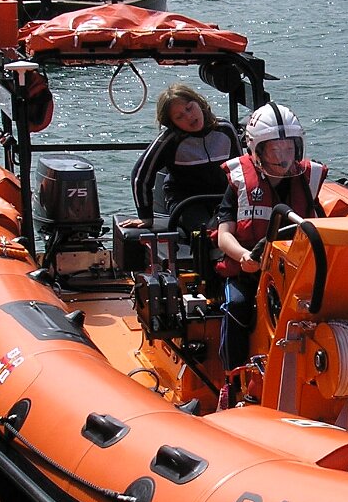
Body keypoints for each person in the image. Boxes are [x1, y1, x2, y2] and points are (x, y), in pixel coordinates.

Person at [215, 103, 327, 376]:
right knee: (236, 306)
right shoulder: (240, 183)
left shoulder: (307, 181)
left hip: (294, 270)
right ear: (257, 150)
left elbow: (323, 227)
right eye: (274, 150)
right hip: (249, 270)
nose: (282, 157)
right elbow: (224, 235)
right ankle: (233, 375)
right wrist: (244, 256)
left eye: (288, 149)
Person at [128, 83, 239, 228]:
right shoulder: (169, 140)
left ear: (199, 103)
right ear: (172, 123)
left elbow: (241, 169)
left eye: (189, 108)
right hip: (186, 202)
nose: (189, 116)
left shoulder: (225, 129)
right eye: (179, 116)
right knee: (206, 231)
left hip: (222, 198)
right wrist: (146, 216)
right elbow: (139, 176)